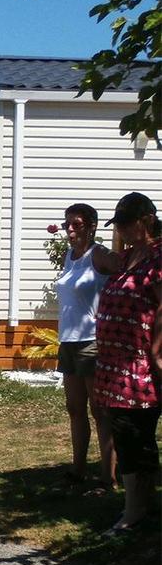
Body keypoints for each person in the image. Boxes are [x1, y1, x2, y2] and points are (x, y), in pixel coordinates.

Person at [94, 192, 161, 535]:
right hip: (115, 366)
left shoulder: (158, 258)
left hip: (141, 367)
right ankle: (141, 506)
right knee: (127, 434)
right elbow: (97, 259)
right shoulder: (127, 257)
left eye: (125, 223)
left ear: (146, 221)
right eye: (117, 224)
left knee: (133, 436)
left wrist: (158, 354)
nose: (119, 229)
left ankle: (134, 512)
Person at [54, 203, 120, 491]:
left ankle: (108, 477)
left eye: (77, 224)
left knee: (100, 410)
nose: (70, 229)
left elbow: (126, 272)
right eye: (67, 224)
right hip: (68, 341)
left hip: (92, 342)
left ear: (91, 226)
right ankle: (78, 470)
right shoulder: (69, 257)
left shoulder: (99, 255)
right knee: (74, 408)